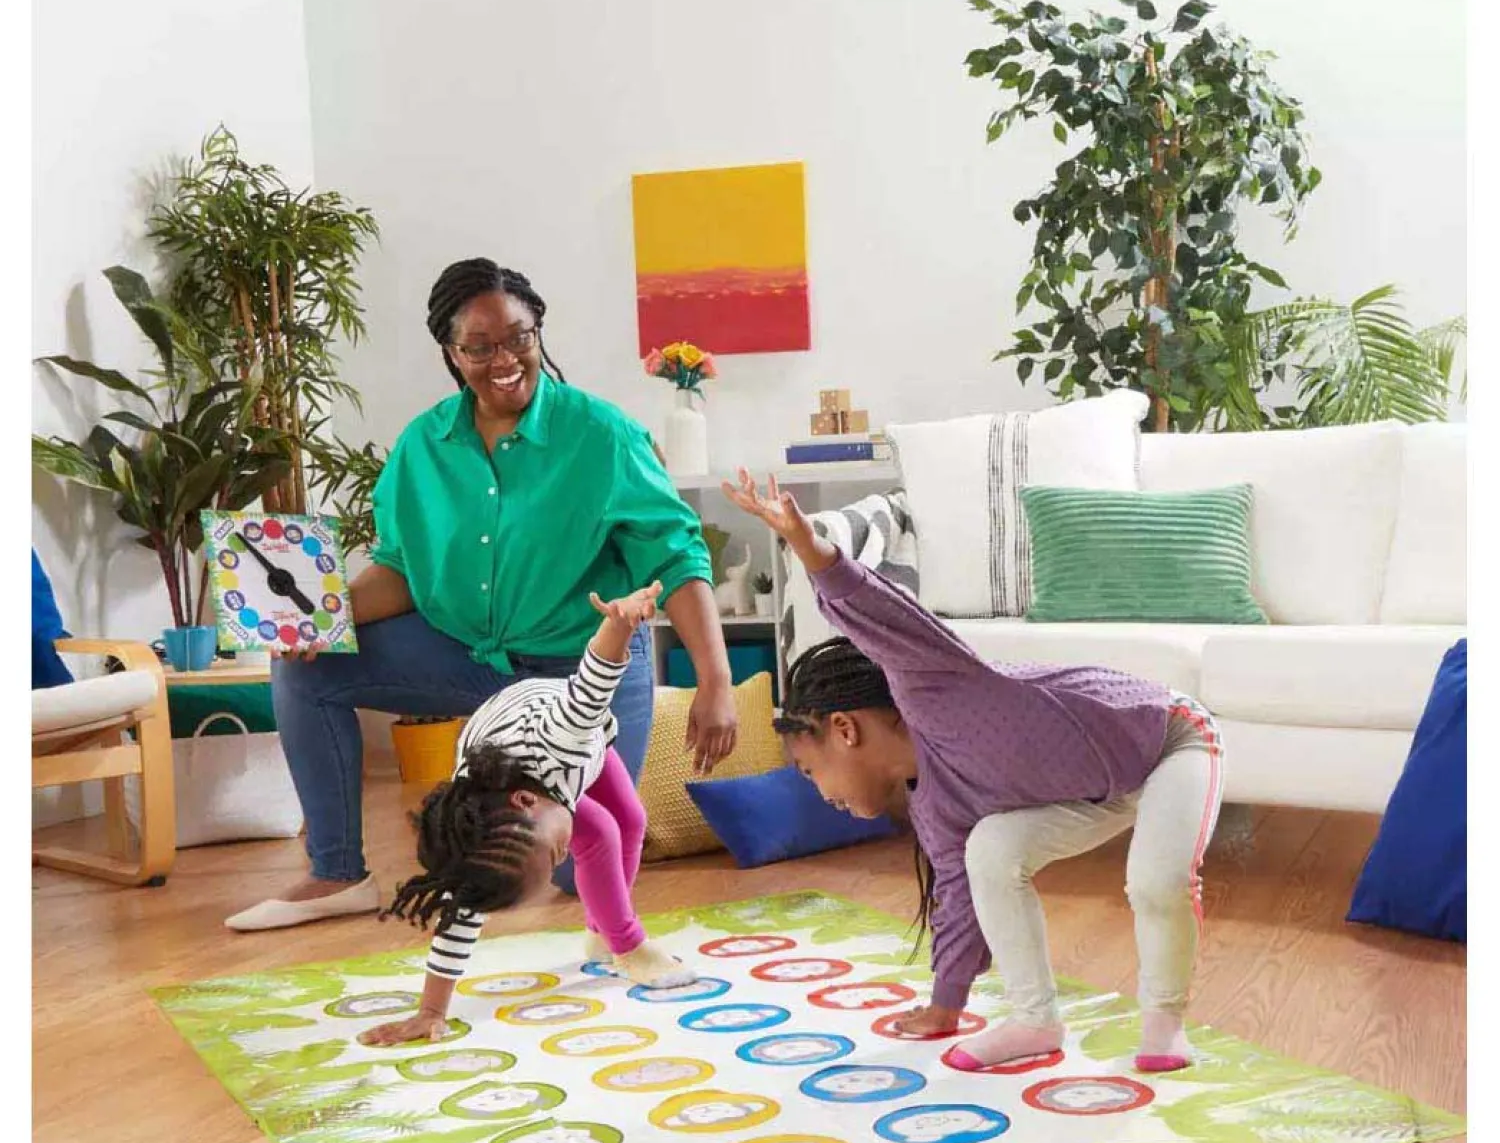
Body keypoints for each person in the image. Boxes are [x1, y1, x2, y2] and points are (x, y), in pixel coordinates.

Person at [227, 260, 737, 930]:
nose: (504, 360)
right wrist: (319, 620)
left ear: (538, 332)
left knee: (574, 872)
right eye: (480, 346)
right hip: (467, 656)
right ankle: (336, 873)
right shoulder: (423, 447)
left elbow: (676, 557)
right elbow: (401, 570)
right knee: (307, 671)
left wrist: (715, 681)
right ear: (451, 351)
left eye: (519, 338)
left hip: (584, 672)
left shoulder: (602, 434)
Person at [723, 470, 1224, 1073]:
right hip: (1098, 790)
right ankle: (1035, 1020)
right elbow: (959, 899)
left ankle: (1164, 1026)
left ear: (845, 730)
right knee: (986, 851)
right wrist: (945, 1006)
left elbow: (882, 617)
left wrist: (809, 548)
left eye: (809, 770)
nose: (818, 791)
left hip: (1169, 740)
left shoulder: (935, 689)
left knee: (1154, 881)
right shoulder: (936, 808)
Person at [359, 578, 695, 1048]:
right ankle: (622, 938)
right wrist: (431, 1011)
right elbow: (460, 915)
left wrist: (619, 623)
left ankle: (616, 940)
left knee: (630, 820)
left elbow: (593, 681)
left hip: (573, 739)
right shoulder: (485, 837)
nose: (564, 856)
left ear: (525, 803)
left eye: (555, 851)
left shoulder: (566, 735)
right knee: (598, 832)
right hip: (518, 755)